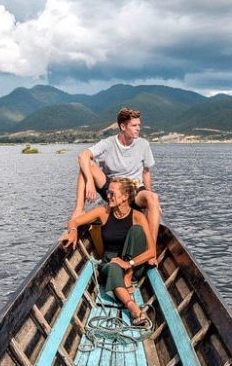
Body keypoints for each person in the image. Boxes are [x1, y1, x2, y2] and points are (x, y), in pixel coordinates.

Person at [59, 177, 156, 325]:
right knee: (113, 268)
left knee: (137, 231)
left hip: (132, 266)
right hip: (109, 264)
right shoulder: (103, 212)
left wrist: (128, 263)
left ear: (125, 196)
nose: (108, 196)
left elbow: (151, 251)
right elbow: (74, 221)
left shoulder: (138, 216)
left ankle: (127, 278)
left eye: (112, 193)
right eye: (107, 192)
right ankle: (133, 308)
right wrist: (73, 232)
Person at [70, 108, 161, 244]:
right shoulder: (108, 143)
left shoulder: (144, 144)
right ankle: (79, 209)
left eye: (139, 125)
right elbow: (82, 155)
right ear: (123, 127)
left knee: (153, 198)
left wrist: (151, 202)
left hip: (134, 189)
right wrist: (89, 181)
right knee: (87, 164)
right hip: (111, 187)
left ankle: (151, 249)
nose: (138, 129)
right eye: (134, 125)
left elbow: (146, 172)